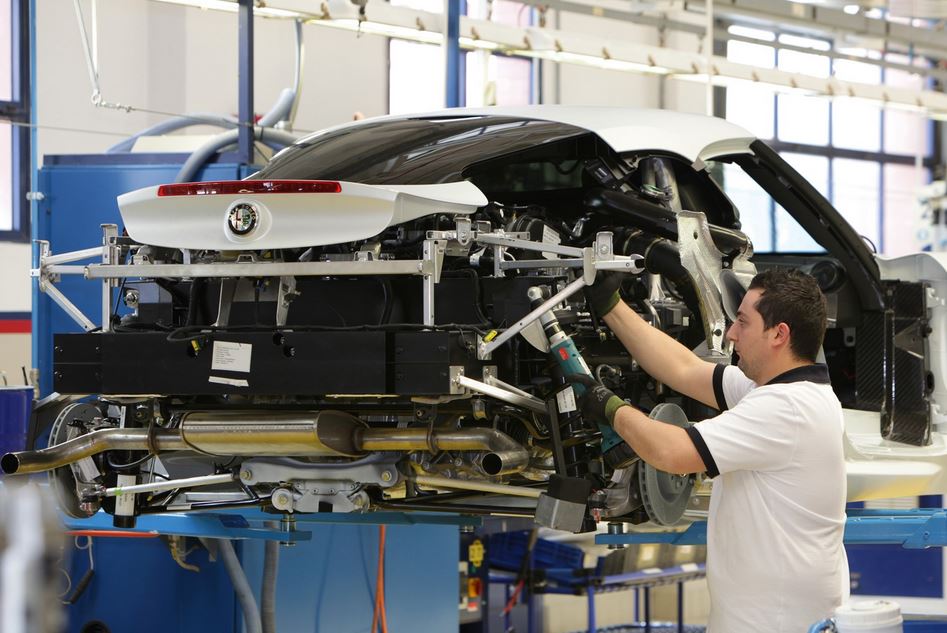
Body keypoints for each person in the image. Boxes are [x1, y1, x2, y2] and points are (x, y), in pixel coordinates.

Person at [578, 268, 848, 633]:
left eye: (742, 322)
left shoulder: (788, 408)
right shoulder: (778, 391)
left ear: (778, 335)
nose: (732, 334)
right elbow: (684, 369)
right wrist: (610, 305)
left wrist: (608, 406)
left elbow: (671, 452)